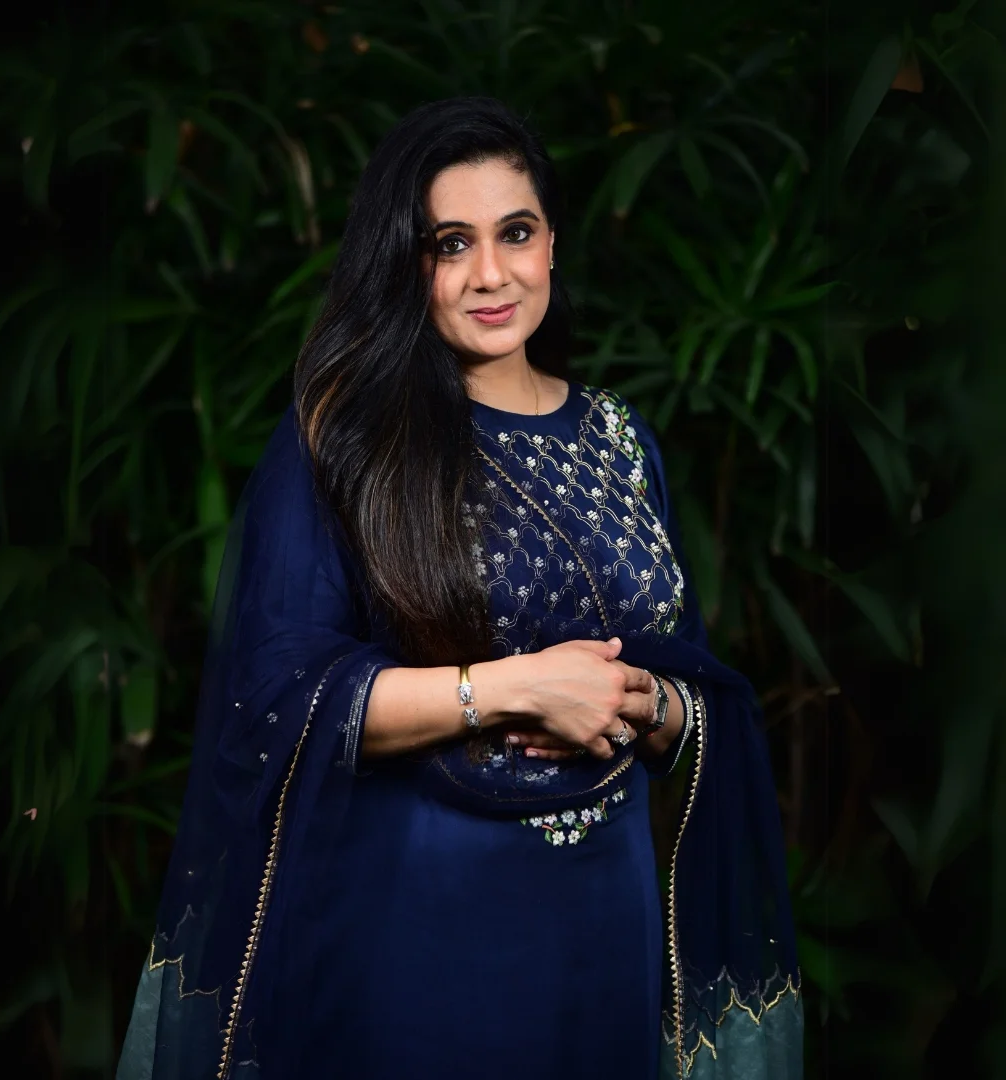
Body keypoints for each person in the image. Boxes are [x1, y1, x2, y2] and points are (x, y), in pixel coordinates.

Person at [117, 96, 803, 1080]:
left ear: (553, 244)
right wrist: (516, 688)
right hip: (419, 923)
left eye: (515, 233)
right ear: (406, 264)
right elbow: (275, 702)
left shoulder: (619, 438)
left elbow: (687, 675)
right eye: (450, 244)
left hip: (607, 925)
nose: (490, 273)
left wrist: (651, 705)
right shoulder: (350, 439)